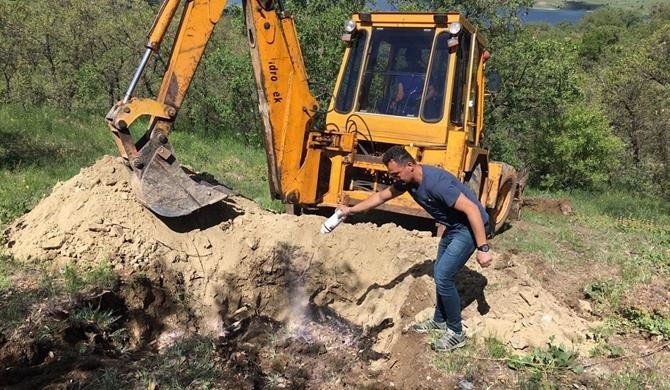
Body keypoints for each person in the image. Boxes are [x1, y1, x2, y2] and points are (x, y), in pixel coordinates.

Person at [338, 146, 492, 352]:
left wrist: (483, 247)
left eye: (396, 174)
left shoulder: (436, 184)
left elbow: (472, 210)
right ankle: (439, 321)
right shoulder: (406, 181)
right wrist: (350, 210)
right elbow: (381, 197)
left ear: (410, 166)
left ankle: (456, 333)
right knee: (440, 273)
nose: (394, 179)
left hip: (469, 227)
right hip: (454, 226)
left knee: (443, 275)